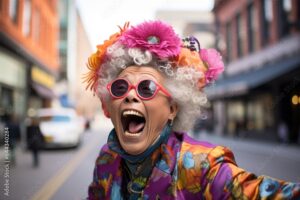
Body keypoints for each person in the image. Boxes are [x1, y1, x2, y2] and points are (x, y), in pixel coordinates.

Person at [85, 21, 300, 199]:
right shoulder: (107, 159)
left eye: (146, 87)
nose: (130, 95)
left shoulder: (202, 166)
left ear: (172, 108)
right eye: (120, 87)